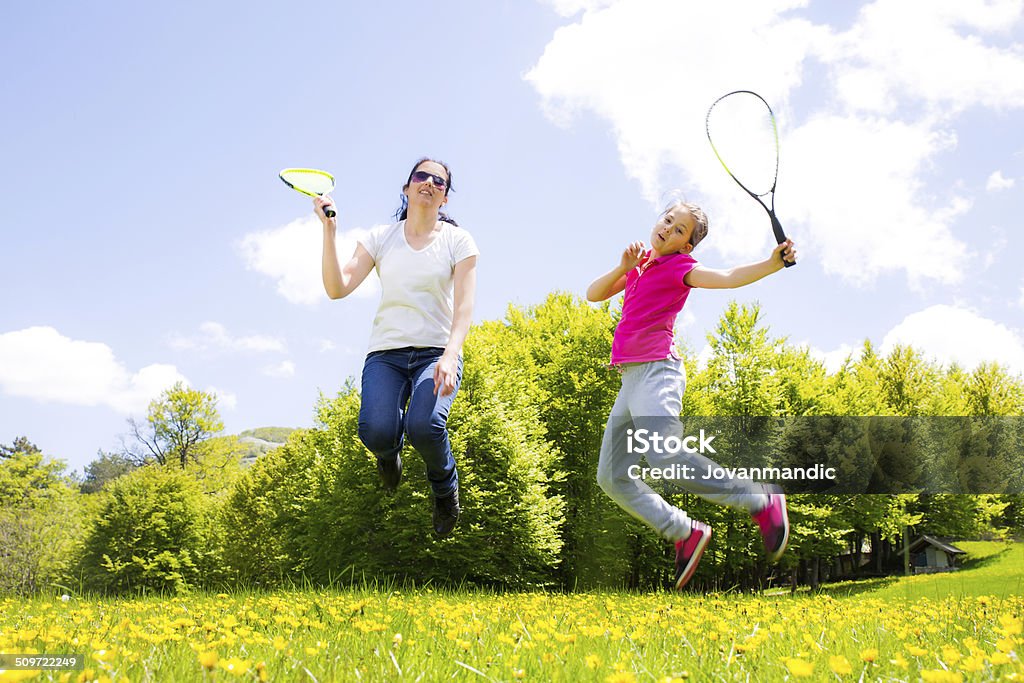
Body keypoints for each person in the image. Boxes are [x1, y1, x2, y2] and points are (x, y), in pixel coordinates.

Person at [586, 199, 795, 589]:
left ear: (686, 246)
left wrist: (772, 263)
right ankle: (684, 532)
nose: (668, 228)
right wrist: (622, 267)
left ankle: (759, 501)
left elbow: (729, 276)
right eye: (667, 220)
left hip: (657, 373)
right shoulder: (641, 263)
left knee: (664, 456)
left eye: (679, 229)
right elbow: (593, 294)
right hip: (629, 381)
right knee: (611, 478)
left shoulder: (681, 268)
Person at [315, 158, 478, 537]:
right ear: (406, 189)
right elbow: (338, 288)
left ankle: (445, 491)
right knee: (376, 431)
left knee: (425, 425)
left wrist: (451, 356)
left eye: (439, 181)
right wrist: (329, 231)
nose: (429, 182)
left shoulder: (459, 241)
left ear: (445, 198)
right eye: (421, 176)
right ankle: (389, 456)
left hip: (436, 352)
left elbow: (465, 307)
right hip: (386, 354)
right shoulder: (380, 238)